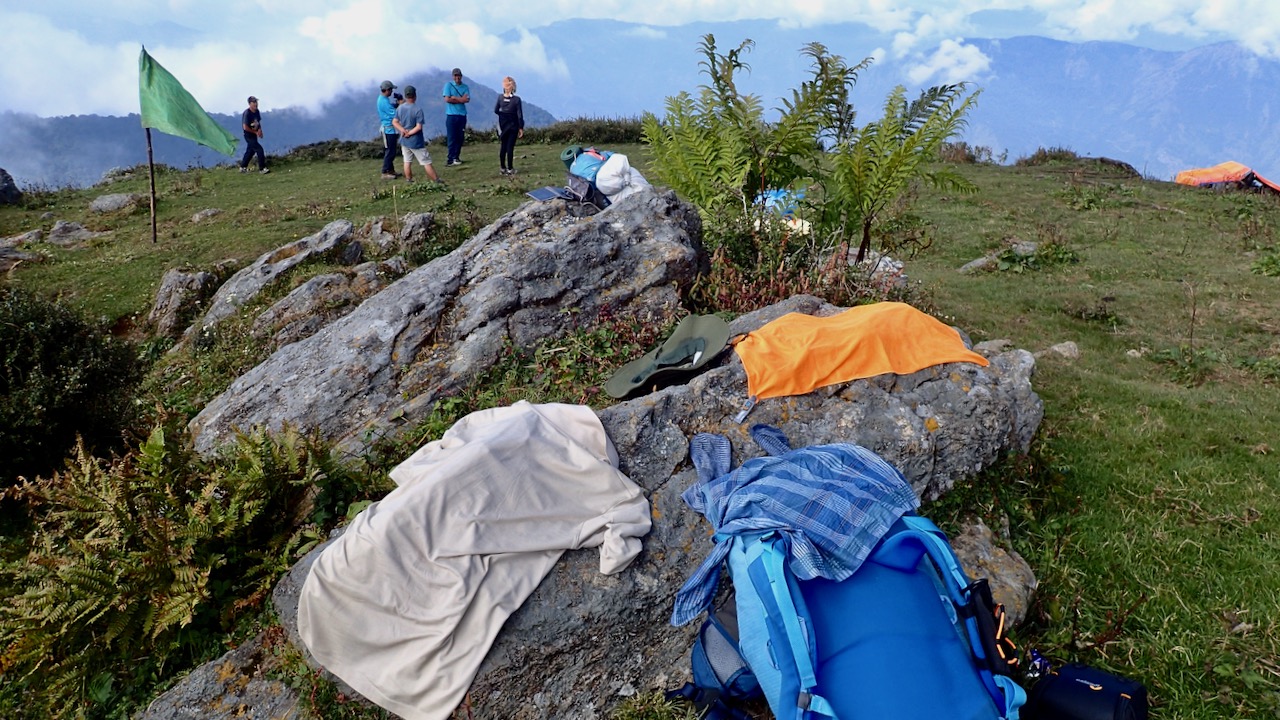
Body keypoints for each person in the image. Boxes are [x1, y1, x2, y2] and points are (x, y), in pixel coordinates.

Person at [391, 86, 442, 184]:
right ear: (415, 95)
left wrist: (403, 131)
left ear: (405, 96)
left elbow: (394, 122)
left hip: (404, 140)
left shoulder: (400, 108)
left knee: (407, 161)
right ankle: (436, 180)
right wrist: (409, 133)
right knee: (426, 161)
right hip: (416, 141)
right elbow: (419, 127)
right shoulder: (417, 110)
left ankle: (409, 180)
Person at [494, 76, 524, 176]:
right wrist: (521, 127)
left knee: (503, 146)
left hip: (503, 125)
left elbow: (496, 110)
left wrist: (502, 115)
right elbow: (519, 115)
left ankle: (502, 168)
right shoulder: (516, 100)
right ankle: (510, 168)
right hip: (513, 125)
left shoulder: (500, 98)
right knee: (510, 147)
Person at [442, 68, 470, 166]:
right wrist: (460, 99)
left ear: (461, 76)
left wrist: (454, 98)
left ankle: (456, 157)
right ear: (453, 76)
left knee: (460, 137)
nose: (457, 77)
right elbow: (447, 99)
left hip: (462, 115)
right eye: (455, 76)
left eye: (458, 75)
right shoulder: (448, 85)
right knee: (451, 137)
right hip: (451, 115)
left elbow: (466, 100)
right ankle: (450, 159)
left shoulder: (465, 87)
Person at [377, 80, 402, 179]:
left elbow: (391, 108)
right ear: (387, 90)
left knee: (392, 150)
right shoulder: (383, 101)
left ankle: (390, 170)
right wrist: (401, 104)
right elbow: (394, 114)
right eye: (391, 90)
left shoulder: (384, 99)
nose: (392, 92)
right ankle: (385, 172)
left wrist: (396, 104)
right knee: (390, 151)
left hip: (391, 129)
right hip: (388, 130)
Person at [239, 96, 269, 174]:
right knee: (259, 149)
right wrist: (255, 132)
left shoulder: (257, 112)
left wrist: (259, 130)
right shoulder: (247, 113)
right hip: (248, 135)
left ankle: (242, 167)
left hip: (254, 134)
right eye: (254, 102)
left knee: (251, 151)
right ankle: (262, 168)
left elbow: (258, 122)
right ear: (250, 104)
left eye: (256, 102)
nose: (256, 104)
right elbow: (245, 127)